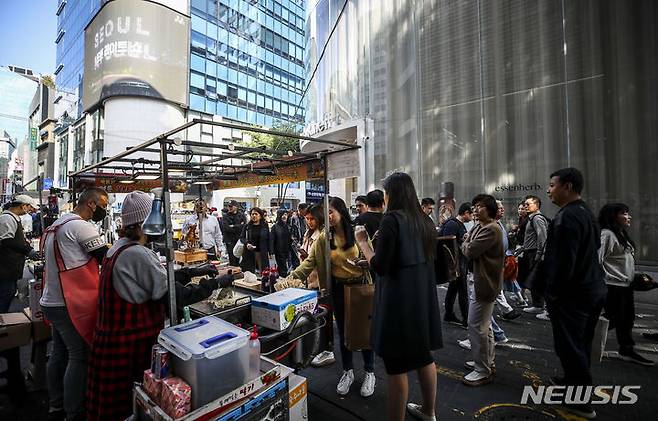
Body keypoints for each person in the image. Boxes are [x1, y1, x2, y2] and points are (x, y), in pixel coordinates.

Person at [86, 191, 230, 421]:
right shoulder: (137, 254)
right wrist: (215, 283)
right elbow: (176, 296)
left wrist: (192, 271)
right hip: (130, 345)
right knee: (128, 407)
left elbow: (157, 278)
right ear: (144, 222)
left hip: (111, 339)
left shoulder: (118, 247)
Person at [356, 173, 442, 421]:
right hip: (422, 299)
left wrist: (364, 244)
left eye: (386, 193)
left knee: (396, 367)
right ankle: (429, 411)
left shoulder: (391, 220)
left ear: (391, 194)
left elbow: (381, 266)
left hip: (397, 301)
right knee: (423, 356)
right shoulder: (424, 221)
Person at [288, 197, 376, 398]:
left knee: (364, 332)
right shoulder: (323, 238)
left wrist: (365, 263)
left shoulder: (358, 232)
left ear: (341, 212)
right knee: (344, 332)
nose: (327, 216)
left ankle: (370, 372)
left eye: (331, 212)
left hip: (360, 286)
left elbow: (372, 257)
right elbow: (309, 263)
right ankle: (348, 371)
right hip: (337, 289)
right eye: (324, 213)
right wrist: (289, 279)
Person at [40, 188, 110, 421]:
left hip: (52, 300)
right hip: (69, 301)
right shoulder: (80, 226)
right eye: (103, 204)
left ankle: (55, 405)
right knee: (79, 355)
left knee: (59, 352)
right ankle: (74, 412)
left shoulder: (56, 225)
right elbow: (105, 259)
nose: (105, 209)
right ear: (91, 203)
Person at [543, 168, 607, 419]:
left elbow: (562, 264)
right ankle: (571, 382)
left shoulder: (567, 217)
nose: (549, 190)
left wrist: (554, 294)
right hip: (591, 288)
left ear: (567, 186)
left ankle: (581, 402)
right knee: (580, 343)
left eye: (551, 185)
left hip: (574, 294)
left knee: (571, 346)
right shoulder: (584, 212)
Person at [598, 204, 654, 366]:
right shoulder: (606, 234)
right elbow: (596, 260)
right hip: (612, 285)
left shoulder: (621, 234)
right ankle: (583, 338)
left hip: (625, 285)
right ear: (613, 216)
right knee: (614, 318)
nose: (628, 217)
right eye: (624, 213)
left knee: (626, 318)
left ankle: (626, 350)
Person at [0, 194, 40, 407]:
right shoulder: (7, 218)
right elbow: (6, 241)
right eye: (28, 207)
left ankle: (6, 335)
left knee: (5, 303)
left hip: (9, 271)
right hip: (4, 271)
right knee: (3, 306)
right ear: (22, 205)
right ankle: (5, 337)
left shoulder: (12, 219)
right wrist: (28, 250)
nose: (29, 210)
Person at [461, 194, 504, 387]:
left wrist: (465, 242)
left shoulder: (492, 229)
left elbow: (470, 250)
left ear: (491, 209)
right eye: (475, 206)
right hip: (477, 280)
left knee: (476, 325)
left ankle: (483, 370)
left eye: (481, 207)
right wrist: (468, 241)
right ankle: (486, 362)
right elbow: (469, 243)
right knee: (484, 327)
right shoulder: (481, 226)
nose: (476, 210)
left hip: (484, 283)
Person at [299, 205, 337, 368]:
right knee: (314, 317)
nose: (309, 222)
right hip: (309, 280)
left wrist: (309, 258)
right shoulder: (308, 234)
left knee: (324, 317)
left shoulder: (323, 236)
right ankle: (316, 347)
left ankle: (327, 348)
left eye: (312, 218)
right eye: (307, 219)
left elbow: (321, 260)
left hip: (321, 282)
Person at [440, 202, 472, 327]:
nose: (473, 216)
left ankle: (449, 315)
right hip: (456, 264)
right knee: (462, 291)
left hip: (460, 263)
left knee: (453, 289)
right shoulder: (453, 224)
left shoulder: (458, 224)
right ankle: (466, 320)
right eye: (471, 213)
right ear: (466, 213)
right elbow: (446, 245)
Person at [519, 195, 549, 318]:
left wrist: (540, 254)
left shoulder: (537, 218)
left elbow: (542, 237)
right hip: (530, 252)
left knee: (538, 279)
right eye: (525, 204)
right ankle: (538, 305)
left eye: (528, 204)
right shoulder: (531, 218)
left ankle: (541, 306)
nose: (526, 206)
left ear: (536, 205)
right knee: (534, 279)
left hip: (534, 253)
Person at [239, 207, 270, 273]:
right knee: (250, 272)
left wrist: (270, 252)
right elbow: (242, 237)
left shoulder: (265, 226)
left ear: (260, 216)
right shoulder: (247, 226)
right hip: (250, 252)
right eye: (252, 214)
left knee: (264, 272)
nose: (254, 216)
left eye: (256, 214)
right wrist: (247, 243)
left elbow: (268, 239)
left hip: (261, 252)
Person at [221, 200, 247, 266]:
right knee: (231, 258)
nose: (229, 208)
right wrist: (239, 226)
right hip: (229, 240)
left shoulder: (241, 215)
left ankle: (237, 271)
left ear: (236, 207)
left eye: (231, 206)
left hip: (239, 240)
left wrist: (233, 226)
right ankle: (233, 272)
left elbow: (244, 227)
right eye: (228, 206)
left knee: (238, 257)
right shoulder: (225, 216)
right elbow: (226, 228)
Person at [270, 209, 292, 277]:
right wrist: (271, 252)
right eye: (282, 215)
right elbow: (271, 240)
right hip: (279, 251)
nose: (284, 216)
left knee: (287, 268)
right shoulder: (275, 227)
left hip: (288, 251)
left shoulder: (288, 226)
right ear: (279, 216)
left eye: (285, 214)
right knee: (282, 269)